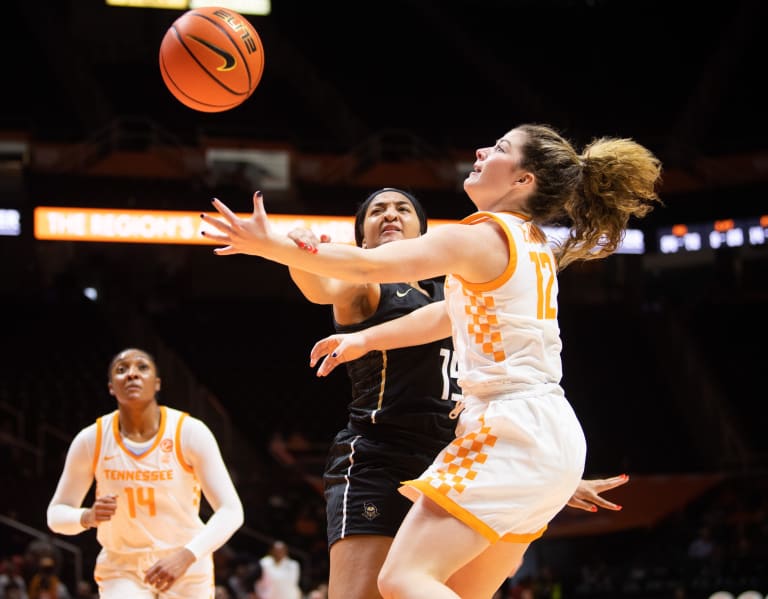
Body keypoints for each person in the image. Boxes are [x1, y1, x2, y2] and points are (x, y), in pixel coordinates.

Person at [200, 123, 662, 598]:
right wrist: (365, 340)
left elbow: (365, 264)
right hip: (549, 436)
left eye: (501, 148)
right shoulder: (531, 242)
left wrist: (268, 245)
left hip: (508, 430)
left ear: (523, 181)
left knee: (403, 580)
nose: (482, 149)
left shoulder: (482, 235)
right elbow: (446, 314)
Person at [284, 188, 629, 599]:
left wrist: (549, 473)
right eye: (377, 211)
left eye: (402, 209)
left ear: (425, 232)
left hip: (456, 456)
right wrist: (299, 252)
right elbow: (321, 285)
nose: (390, 215)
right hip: (380, 457)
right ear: (362, 241)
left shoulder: (460, 294)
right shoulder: (367, 286)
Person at [47, 348, 245, 599]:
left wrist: (187, 555)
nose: (131, 374)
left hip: (185, 561)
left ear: (157, 384)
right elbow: (55, 515)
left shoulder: (190, 432)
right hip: (122, 567)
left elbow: (231, 511)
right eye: (121, 369)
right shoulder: (91, 439)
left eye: (142, 367)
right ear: (111, 387)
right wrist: (87, 516)